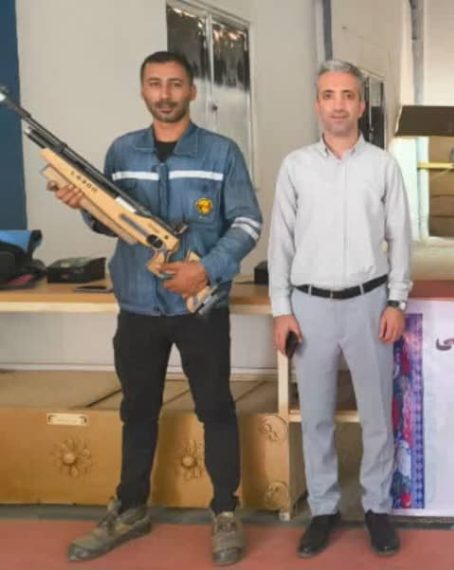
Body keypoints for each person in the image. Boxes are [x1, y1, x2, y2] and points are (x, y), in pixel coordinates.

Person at [51, 51, 261, 566]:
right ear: (142, 90)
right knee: (137, 410)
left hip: (199, 307)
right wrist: (86, 208)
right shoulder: (122, 152)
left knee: (215, 408)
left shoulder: (221, 153)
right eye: (154, 84)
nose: (164, 94)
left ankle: (224, 510)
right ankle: (129, 508)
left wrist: (204, 269)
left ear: (191, 91)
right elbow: (109, 221)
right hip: (138, 307)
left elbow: (247, 223)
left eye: (174, 84)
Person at [268, 59, 412, 558]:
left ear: (361, 105)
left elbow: (401, 238)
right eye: (329, 95)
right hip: (310, 307)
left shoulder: (382, 166)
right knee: (316, 416)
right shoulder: (296, 167)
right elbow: (280, 243)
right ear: (317, 104)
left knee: (376, 415)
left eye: (347, 95)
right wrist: (281, 309)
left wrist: (396, 300)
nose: (338, 105)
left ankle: (377, 507)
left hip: (370, 304)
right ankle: (324, 508)